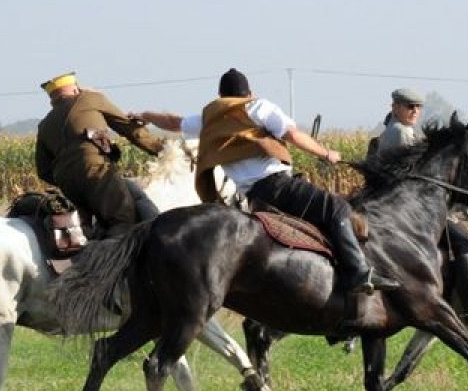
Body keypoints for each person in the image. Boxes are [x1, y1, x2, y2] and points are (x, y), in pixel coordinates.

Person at [135, 68, 393, 326]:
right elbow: (292, 135)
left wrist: (144, 115)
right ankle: (358, 272)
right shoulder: (257, 107)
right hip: (279, 185)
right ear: (250, 93)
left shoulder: (210, 117)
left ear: (221, 96)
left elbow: (173, 122)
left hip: (255, 197)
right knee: (337, 209)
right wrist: (326, 153)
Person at [370, 87, 468, 325]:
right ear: (395, 107)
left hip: (401, 205)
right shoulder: (401, 133)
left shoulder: (397, 129)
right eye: (409, 106)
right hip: (407, 210)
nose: (414, 111)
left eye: (418, 107)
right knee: (461, 240)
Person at [34, 71, 165, 237]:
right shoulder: (91, 99)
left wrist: (71, 176)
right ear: (75, 89)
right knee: (123, 220)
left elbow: (43, 170)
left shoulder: (44, 124)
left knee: (85, 228)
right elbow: (131, 130)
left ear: (52, 98)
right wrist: (162, 150)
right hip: (96, 171)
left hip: (66, 182)